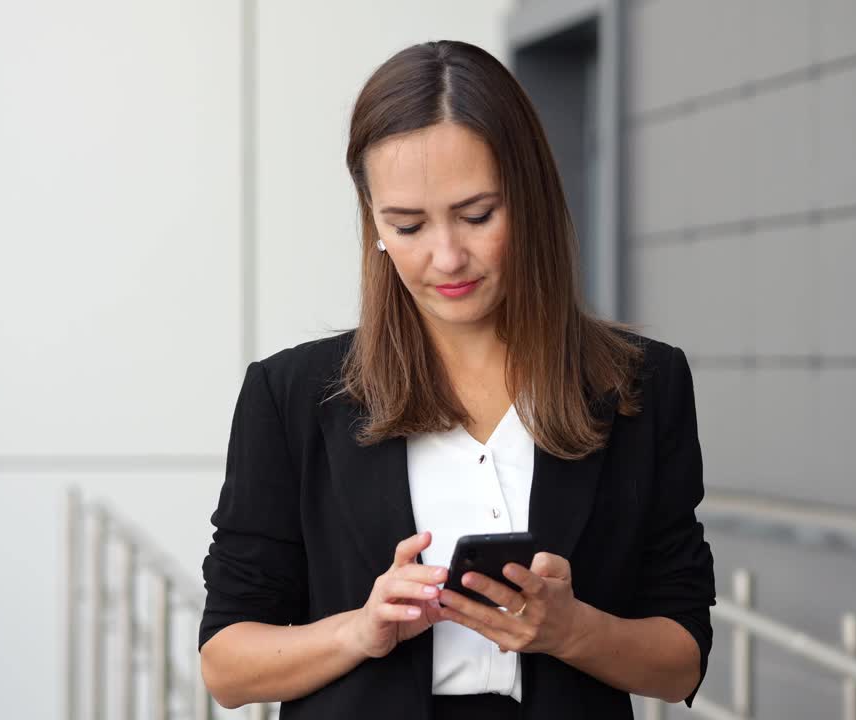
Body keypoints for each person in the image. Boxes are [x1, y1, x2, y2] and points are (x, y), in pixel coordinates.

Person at [197, 39, 715, 720]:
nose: (447, 257)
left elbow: (681, 659)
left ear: (529, 197)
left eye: (478, 216)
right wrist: (361, 630)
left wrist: (571, 630)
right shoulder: (292, 396)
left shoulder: (640, 386)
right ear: (374, 224)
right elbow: (227, 667)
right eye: (407, 225)